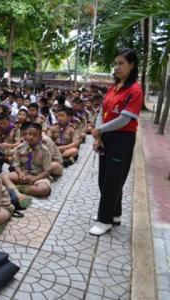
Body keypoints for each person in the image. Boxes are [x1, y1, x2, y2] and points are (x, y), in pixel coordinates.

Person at [90, 48, 143, 236]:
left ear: (132, 65)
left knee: (113, 180)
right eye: (116, 63)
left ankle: (105, 221)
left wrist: (100, 130)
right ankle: (115, 214)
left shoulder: (135, 90)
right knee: (105, 177)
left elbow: (124, 119)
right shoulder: (113, 88)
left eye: (121, 63)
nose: (117, 67)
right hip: (107, 136)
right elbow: (101, 112)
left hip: (122, 139)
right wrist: (98, 135)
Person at [1, 123, 52, 198]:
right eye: (30, 134)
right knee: (3, 176)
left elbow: (47, 171)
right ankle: (18, 193)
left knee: (44, 189)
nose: (31, 137)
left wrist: (35, 179)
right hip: (23, 174)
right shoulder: (20, 148)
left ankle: (16, 188)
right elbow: (16, 165)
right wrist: (20, 173)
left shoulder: (45, 151)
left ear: (40, 137)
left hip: (38, 176)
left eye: (35, 135)